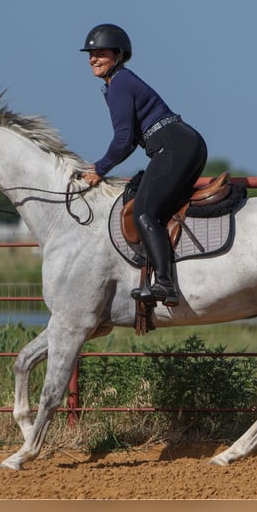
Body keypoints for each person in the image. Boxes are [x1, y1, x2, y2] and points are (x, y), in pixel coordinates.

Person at [80, 23, 207, 307]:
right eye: (90, 54)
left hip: (172, 147)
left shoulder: (119, 84)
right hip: (183, 144)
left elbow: (124, 139)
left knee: (144, 212)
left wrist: (99, 169)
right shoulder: (119, 82)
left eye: (100, 53)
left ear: (118, 54)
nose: (92, 59)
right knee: (157, 206)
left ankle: (164, 283)